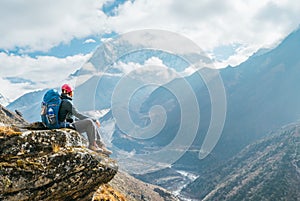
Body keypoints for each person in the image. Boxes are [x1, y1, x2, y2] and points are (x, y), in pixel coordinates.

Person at [58, 84, 112, 155]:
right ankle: (92, 145)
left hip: (67, 123)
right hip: (67, 125)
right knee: (89, 122)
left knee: (90, 122)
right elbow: (78, 114)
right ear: (69, 92)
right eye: (72, 92)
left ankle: (101, 145)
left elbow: (71, 116)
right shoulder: (67, 102)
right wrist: (94, 120)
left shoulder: (62, 101)